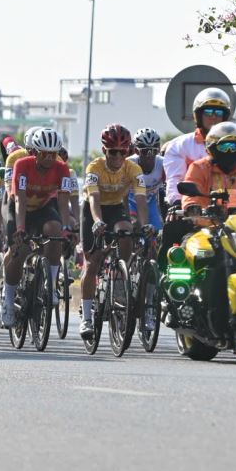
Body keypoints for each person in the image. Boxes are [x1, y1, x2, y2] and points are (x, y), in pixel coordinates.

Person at [1, 126, 76, 328]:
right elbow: (19, 200)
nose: (50, 159)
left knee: (55, 230)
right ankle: (8, 299)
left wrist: (66, 228)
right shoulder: (22, 164)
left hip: (43, 207)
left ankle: (50, 284)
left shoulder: (62, 168)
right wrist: (20, 228)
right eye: (44, 154)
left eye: (53, 154)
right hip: (20, 208)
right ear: (34, 152)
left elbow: (63, 201)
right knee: (20, 250)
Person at [79, 124, 142, 341]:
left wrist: (145, 224)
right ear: (104, 150)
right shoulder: (94, 168)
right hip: (93, 210)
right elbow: (94, 199)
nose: (117, 157)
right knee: (93, 262)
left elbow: (141, 199)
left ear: (128, 152)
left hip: (115, 208)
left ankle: (120, 276)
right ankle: (87, 317)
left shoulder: (133, 169)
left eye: (122, 152)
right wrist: (97, 221)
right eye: (112, 152)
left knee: (126, 232)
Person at [162, 87, 233, 207]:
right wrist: (177, 202)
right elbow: (175, 180)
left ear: (224, 117)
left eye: (218, 113)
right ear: (198, 116)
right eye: (208, 112)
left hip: (230, 209)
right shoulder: (180, 145)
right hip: (192, 209)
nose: (213, 117)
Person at [130, 127, 166, 232]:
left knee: (157, 233)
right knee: (133, 226)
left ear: (158, 150)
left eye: (154, 151)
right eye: (145, 151)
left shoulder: (164, 163)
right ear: (136, 151)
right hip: (131, 202)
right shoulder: (128, 164)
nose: (149, 156)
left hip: (150, 203)